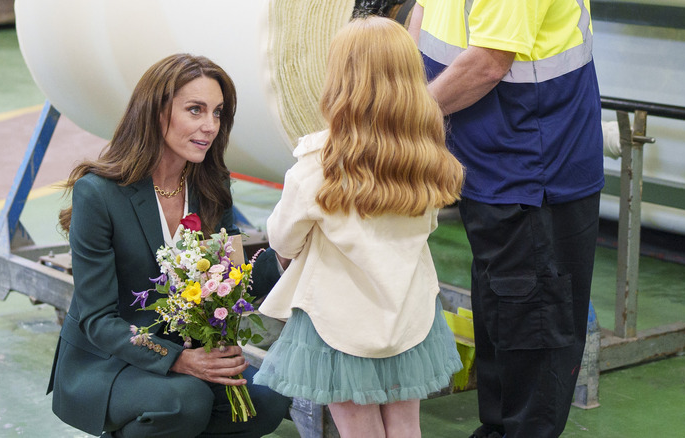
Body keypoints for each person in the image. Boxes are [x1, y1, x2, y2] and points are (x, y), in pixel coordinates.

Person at [47, 53, 291, 438]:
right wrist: (179, 359)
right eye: (195, 110)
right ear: (156, 112)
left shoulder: (212, 189)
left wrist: (283, 256)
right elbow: (97, 320)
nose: (210, 126)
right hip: (110, 362)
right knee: (186, 401)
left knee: (268, 402)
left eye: (218, 113)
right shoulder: (99, 194)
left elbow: (230, 283)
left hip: (189, 355)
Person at [252, 16, 465, 438]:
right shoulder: (428, 158)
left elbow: (282, 238)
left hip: (337, 322)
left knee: (358, 428)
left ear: (339, 81)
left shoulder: (319, 162)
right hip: (409, 314)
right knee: (405, 424)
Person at [409, 1, 604, 437]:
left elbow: (488, 64)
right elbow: (425, 9)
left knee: (532, 339)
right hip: (488, 163)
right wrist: (400, 82)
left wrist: (402, 116)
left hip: (534, 171)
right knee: (500, 325)